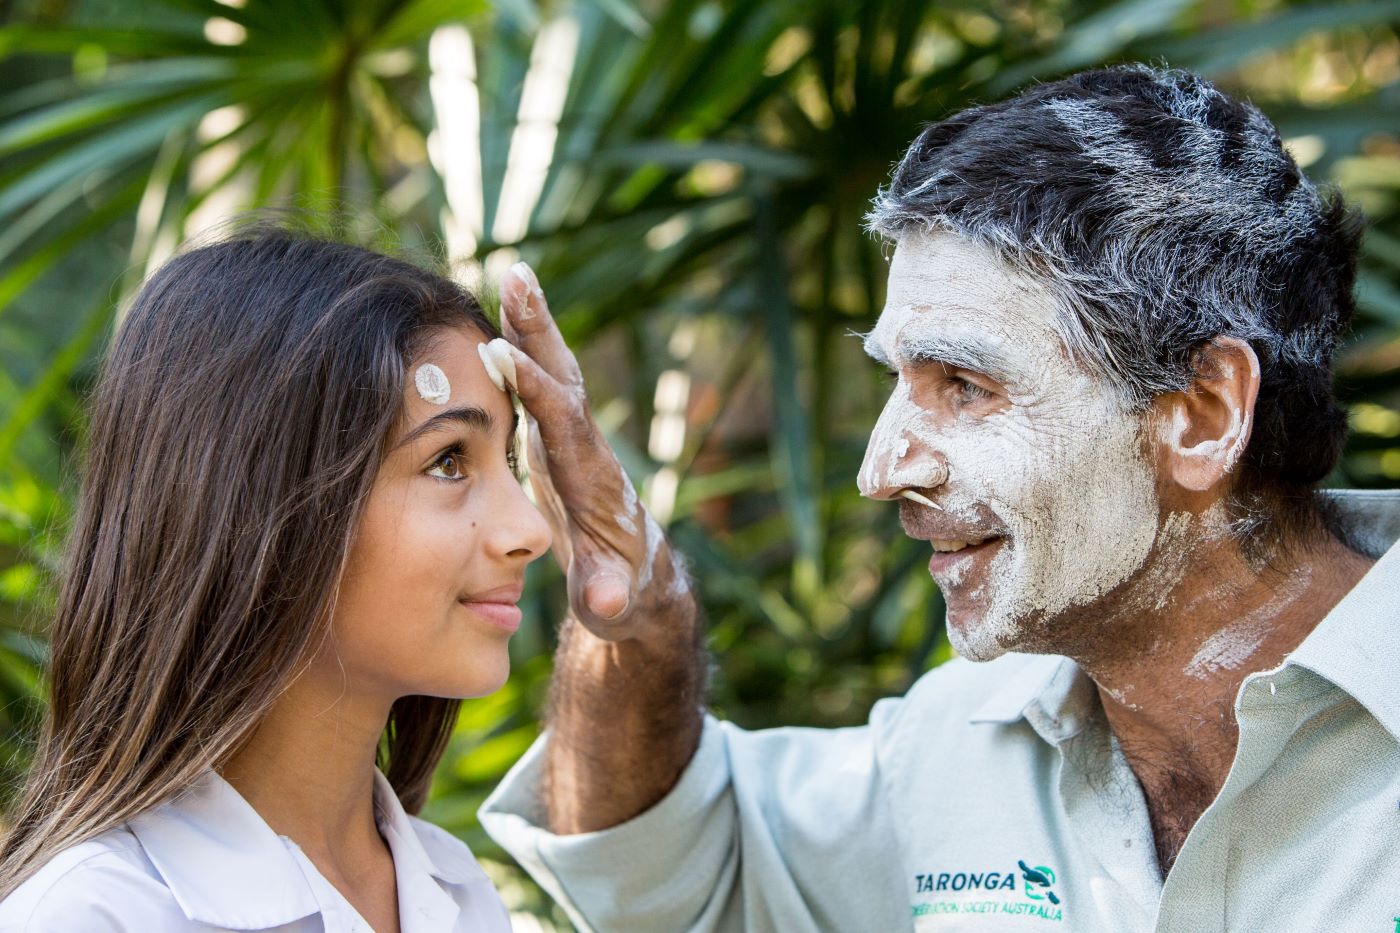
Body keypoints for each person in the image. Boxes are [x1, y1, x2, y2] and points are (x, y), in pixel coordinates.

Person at [476, 65, 1400, 931]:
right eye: (897, 379)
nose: (882, 472)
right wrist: (639, 620)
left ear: (1199, 416)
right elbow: (658, 872)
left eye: (965, 383)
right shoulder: (959, 737)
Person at [0, 229, 553, 931]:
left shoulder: (459, 891)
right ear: (264, 508)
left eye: (507, 458)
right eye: (449, 460)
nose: (530, 529)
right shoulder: (92, 914)